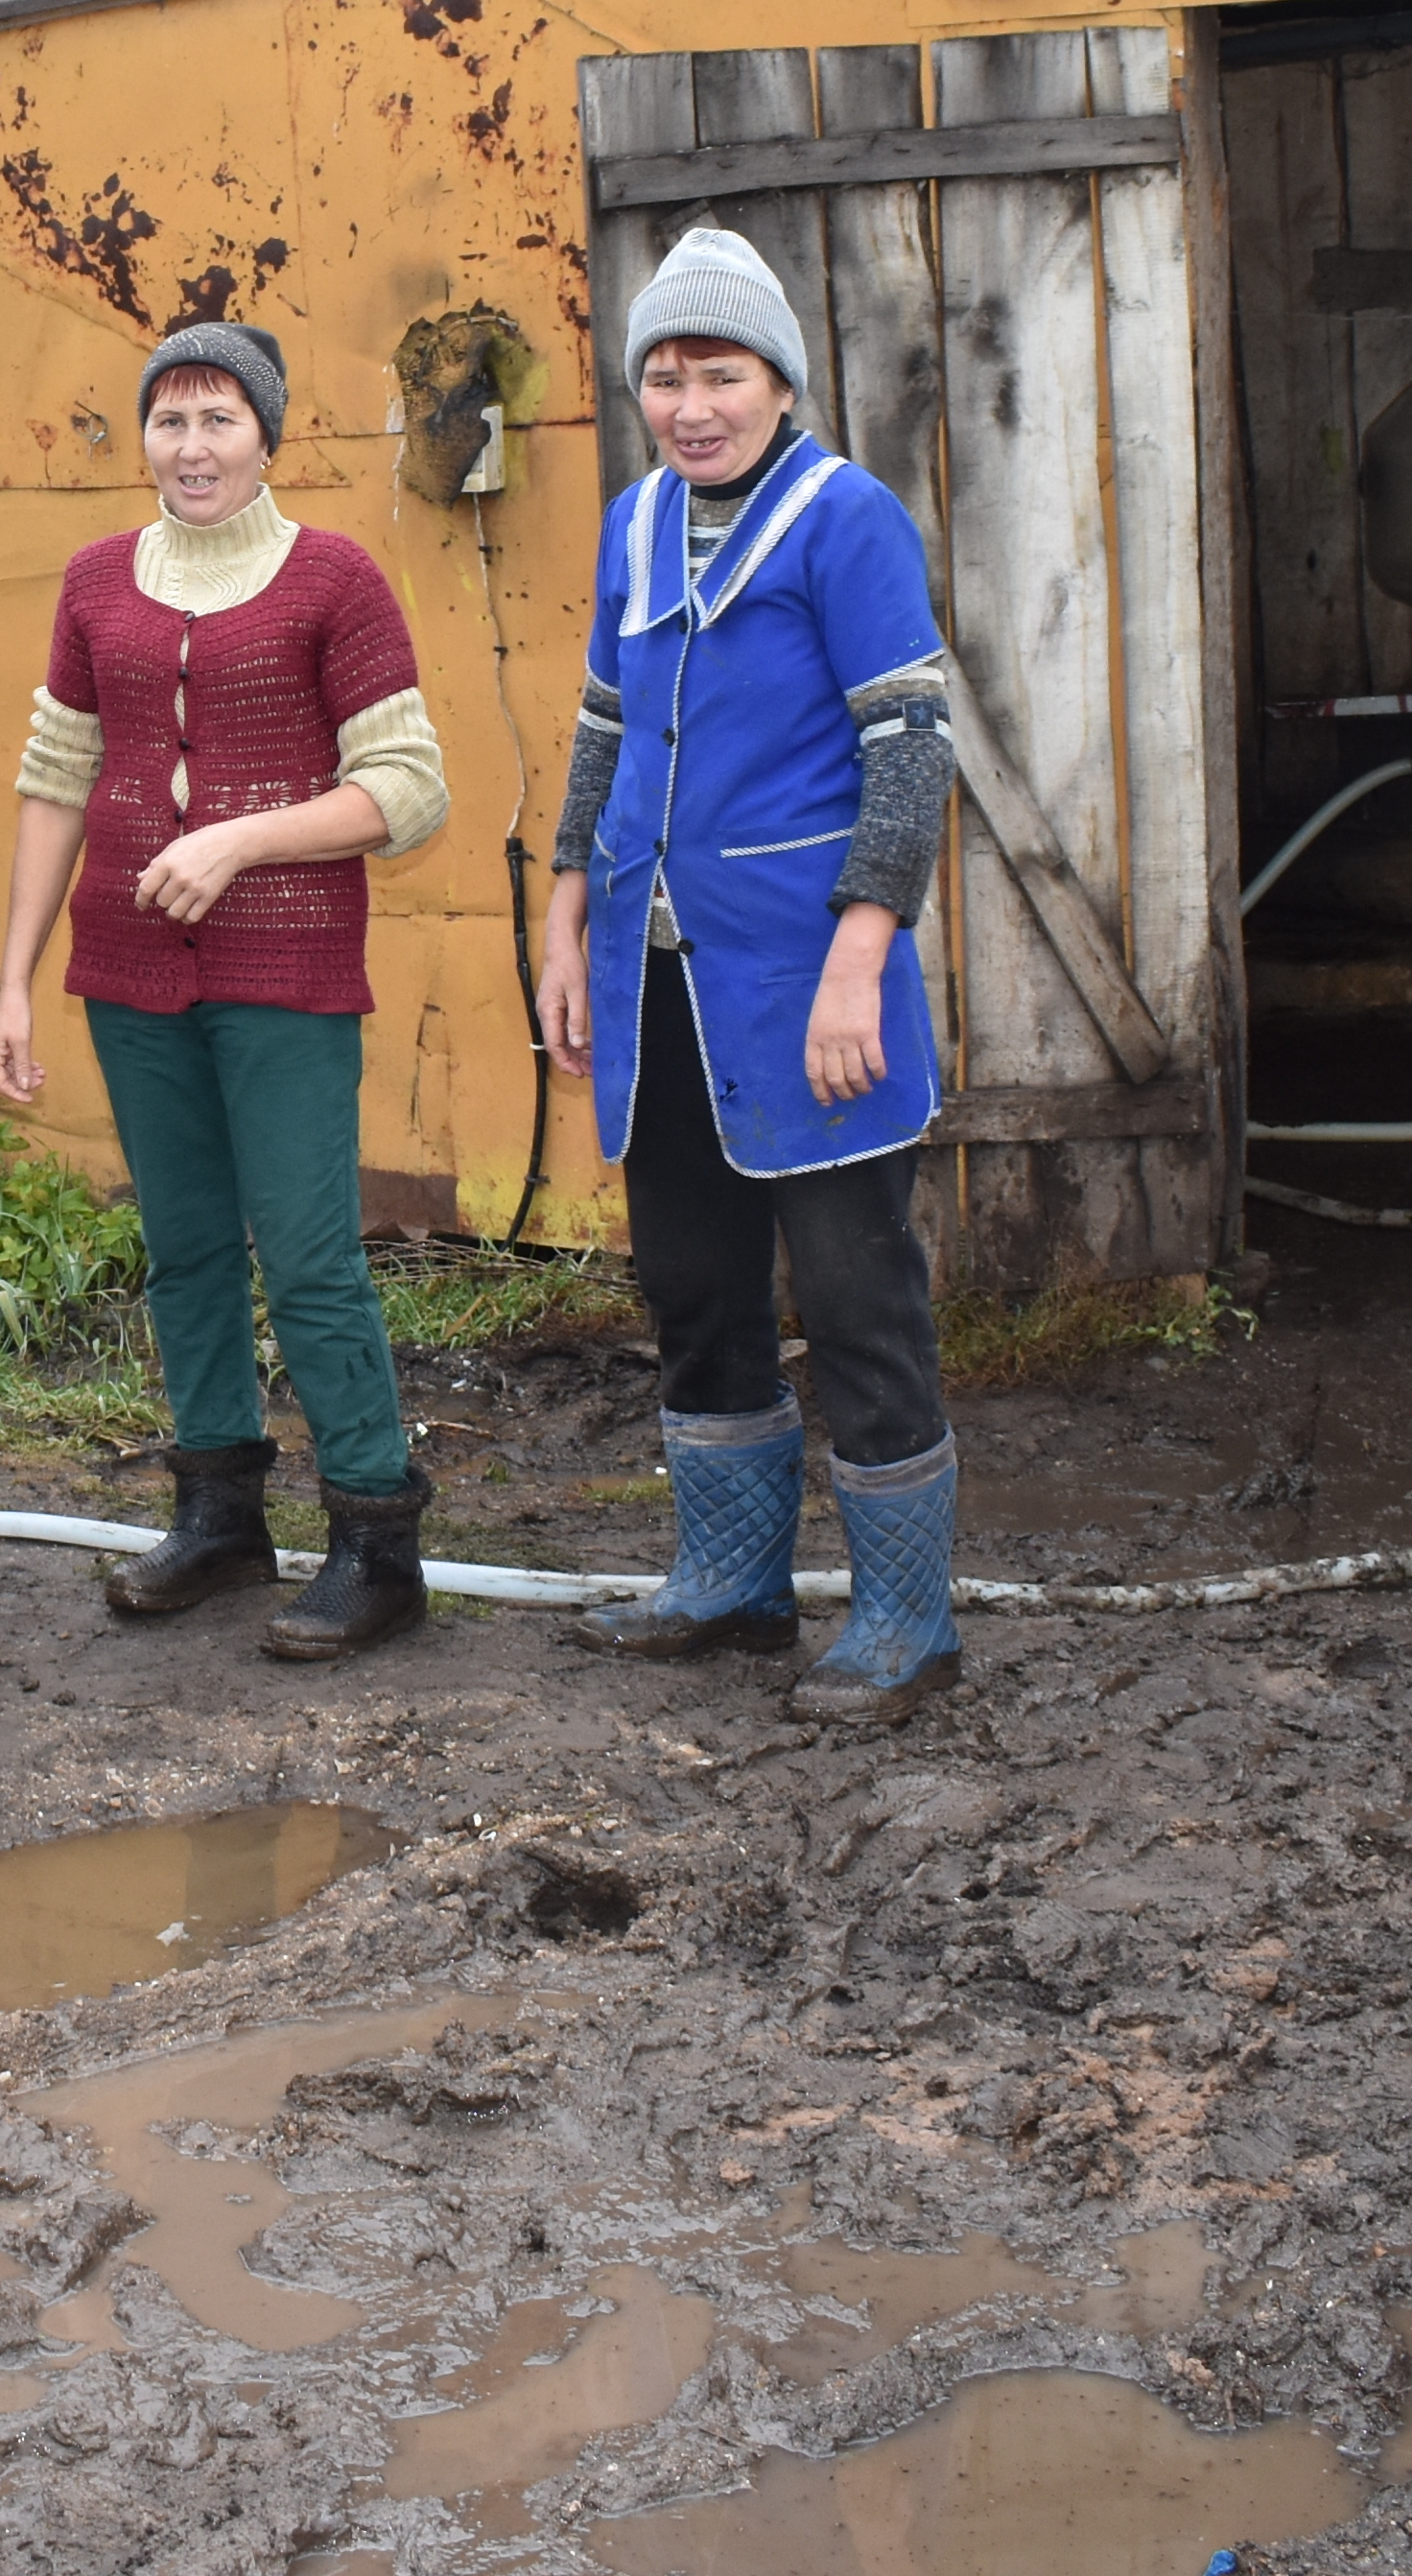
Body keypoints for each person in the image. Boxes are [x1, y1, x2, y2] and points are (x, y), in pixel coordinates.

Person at [534, 224, 967, 1724]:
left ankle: (908, 1620)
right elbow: (602, 725)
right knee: (698, 1288)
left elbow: (910, 749)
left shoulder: (847, 522)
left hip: (809, 984)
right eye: (664, 375)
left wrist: (865, 957)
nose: (689, 403)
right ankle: (730, 1587)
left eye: (718, 373)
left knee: (857, 1298)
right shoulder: (637, 525)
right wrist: (564, 911)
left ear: (777, 382)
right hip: (663, 979)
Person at [0, 323, 455, 1660]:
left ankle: (374, 1539)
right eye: (171, 421)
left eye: (220, 421)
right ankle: (220, 1515)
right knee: (184, 1248)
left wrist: (240, 839)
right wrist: (14, 981)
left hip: (287, 967)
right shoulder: (94, 585)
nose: (193, 448)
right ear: (144, 437)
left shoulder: (334, 582)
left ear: (269, 435)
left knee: (306, 1259)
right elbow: (56, 779)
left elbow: (411, 792)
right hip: (129, 972)